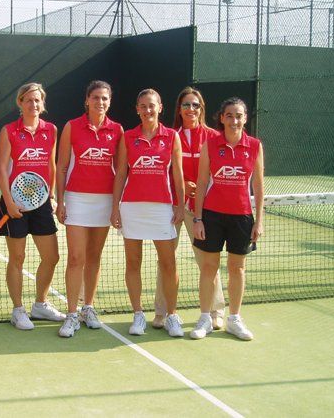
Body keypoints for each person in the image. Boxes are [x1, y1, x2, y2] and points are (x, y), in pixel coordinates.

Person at [111, 89, 185, 338]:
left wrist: (179, 205)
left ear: (160, 107)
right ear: (137, 109)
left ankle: (172, 315)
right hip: (132, 207)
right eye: (142, 106)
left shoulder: (172, 136)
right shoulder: (128, 137)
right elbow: (121, 172)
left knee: (168, 263)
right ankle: (138, 315)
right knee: (133, 262)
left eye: (151, 105)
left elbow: (177, 175)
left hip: (162, 208)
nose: (147, 110)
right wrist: (115, 207)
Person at [190, 97, 264, 341]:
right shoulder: (210, 145)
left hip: (242, 217)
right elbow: (201, 183)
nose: (234, 120)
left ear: (245, 118)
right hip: (212, 216)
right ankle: (205, 318)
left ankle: (234, 319)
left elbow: (259, 187)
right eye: (229, 115)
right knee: (209, 268)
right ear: (221, 118)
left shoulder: (254, 146)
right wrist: (198, 218)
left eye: (239, 115)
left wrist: (259, 221)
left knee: (237, 268)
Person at [151, 88, 226, 330]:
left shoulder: (214, 137)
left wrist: (201, 189)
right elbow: (161, 169)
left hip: (201, 211)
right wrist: (183, 186)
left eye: (195, 105)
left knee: (208, 261)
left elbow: (221, 172)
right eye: (186, 105)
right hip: (171, 206)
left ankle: (215, 311)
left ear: (201, 109)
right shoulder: (170, 136)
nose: (190, 109)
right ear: (179, 109)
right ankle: (162, 312)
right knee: (166, 261)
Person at [56, 81, 123, 337]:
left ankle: (88, 308)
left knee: (94, 257)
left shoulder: (116, 130)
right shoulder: (72, 127)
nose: (100, 102)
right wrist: (59, 200)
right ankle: (71, 314)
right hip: (76, 199)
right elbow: (62, 166)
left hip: (104, 201)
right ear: (87, 100)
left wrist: (115, 206)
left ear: (109, 101)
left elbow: (119, 173)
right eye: (95, 98)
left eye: (104, 98)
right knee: (76, 257)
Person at [0, 83, 64, 331]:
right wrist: (9, 202)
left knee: (52, 257)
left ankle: (40, 304)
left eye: (37, 101)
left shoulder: (51, 130)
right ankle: (17, 309)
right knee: (18, 257)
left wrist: (53, 196)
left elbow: (51, 165)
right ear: (20, 103)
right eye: (28, 100)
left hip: (42, 201)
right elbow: (2, 168)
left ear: (42, 103)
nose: (33, 105)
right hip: (15, 203)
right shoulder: (9, 131)